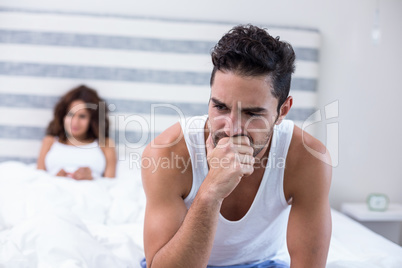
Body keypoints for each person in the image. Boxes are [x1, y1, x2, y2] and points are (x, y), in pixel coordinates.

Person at [141, 24, 332, 268]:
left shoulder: (309, 159)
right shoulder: (166, 152)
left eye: (252, 113)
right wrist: (211, 191)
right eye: (220, 107)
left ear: (282, 110)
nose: (231, 129)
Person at [37, 85, 116, 180]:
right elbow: (38, 179)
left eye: (82, 116)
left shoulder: (105, 144)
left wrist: (92, 179)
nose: (75, 122)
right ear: (63, 116)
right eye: (70, 114)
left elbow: (111, 183)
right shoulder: (49, 141)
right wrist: (55, 179)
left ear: (93, 120)